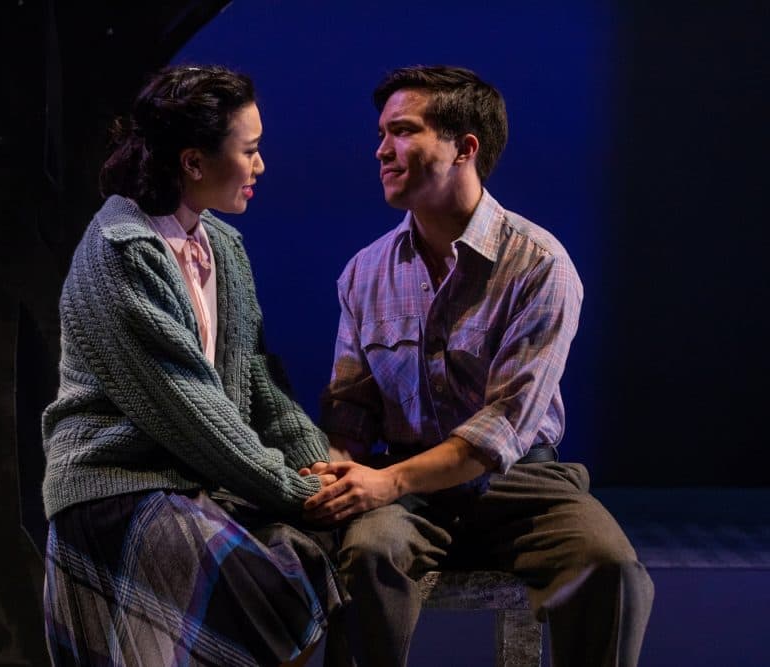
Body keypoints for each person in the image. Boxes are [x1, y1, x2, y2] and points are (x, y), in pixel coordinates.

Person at [305, 65, 654, 666]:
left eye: (403, 131)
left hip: (521, 486)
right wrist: (337, 471)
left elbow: (503, 427)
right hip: (409, 491)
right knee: (367, 554)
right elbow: (350, 411)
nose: (381, 150)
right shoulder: (365, 272)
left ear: (465, 147)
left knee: (611, 568)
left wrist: (386, 481)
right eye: (382, 133)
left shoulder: (539, 264)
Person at [41, 64, 345, 667]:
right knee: (265, 578)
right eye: (250, 151)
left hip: (192, 481)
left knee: (310, 550)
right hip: (119, 486)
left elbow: (257, 379)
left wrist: (315, 456)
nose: (261, 167)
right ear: (194, 163)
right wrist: (296, 489)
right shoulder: (121, 250)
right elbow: (191, 408)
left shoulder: (223, 247)